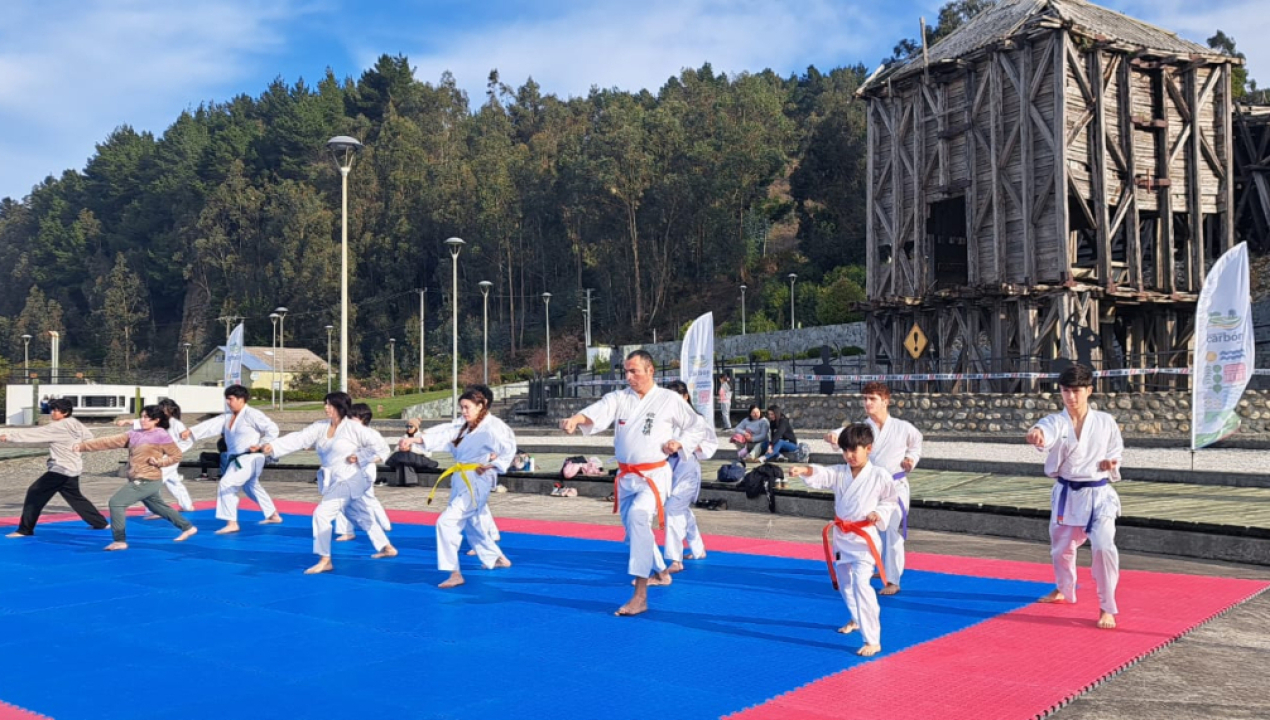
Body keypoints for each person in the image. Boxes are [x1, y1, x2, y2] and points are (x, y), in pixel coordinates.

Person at [560, 350, 709, 616]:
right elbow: (597, 412)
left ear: (650, 371)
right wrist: (575, 419)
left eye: (634, 371)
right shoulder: (620, 398)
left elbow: (697, 425)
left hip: (654, 475)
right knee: (634, 530)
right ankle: (661, 571)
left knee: (640, 517)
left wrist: (680, 443)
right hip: (626, 477)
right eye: (626, 371)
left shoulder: (668, 399)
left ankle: (640, 596)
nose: (628, 377)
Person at [1026, 363, 1123, 630]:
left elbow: (1116, 450)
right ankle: (1064, 588)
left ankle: (1107, 607)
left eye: (1076, 391)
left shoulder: (1105, 422)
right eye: (1066, 391)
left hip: (1099, 496)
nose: (1071, 397)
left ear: (1089, 391)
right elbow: (1046, 430)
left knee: (1104, 547)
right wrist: (1037, 435)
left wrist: (1111, 463)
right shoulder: (1057, 421)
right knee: (1061, 550)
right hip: (1067, 495)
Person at [787, 423, 897, 656]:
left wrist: (879, 513)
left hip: (864, 540)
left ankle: (873, 639)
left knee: (861, 584)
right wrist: (804, 470)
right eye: (845, 450)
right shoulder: (840, 472)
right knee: (845, 584)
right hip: (843, 538)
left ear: (869, 448)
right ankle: (857, 618)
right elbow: (822, 474)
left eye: (854, 450)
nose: (849, 455)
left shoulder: (879, 475)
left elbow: (889, 500)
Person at [262, 392, 397, 574]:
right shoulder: (321, 426)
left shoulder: (353, 428)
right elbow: (300, 438)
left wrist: (360, 456)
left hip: (350, 479)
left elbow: (382, 447)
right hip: (333, 479)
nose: (326, 408)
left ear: (340, 407)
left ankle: (325, 559)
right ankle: (387, 547)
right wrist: (274, 446)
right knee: (359, 515)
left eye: (330, 405)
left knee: (322, 514)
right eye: (325, 404)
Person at [403, 384, 514, 588]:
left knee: (446, 523)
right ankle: (496, 558)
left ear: (481, 405)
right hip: (461, 477)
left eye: (467, 407)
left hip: (478, 480)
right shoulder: (463, 425)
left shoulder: (494, 427)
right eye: (461, 407)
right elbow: (444, 435)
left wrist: (493, 464)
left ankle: (454, 573)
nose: (463, 411)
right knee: (472, 522)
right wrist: (415, 440)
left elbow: (509, 449)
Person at [824, 382, 922, 596]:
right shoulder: (863, 429)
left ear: (885, 401)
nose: (867, 403)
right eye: (865, 399)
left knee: (892, 532)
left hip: (895, 487)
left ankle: (893, 580)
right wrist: (832, 436)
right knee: (870, 530)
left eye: (872, 399)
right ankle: (879, 565)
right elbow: (844, 434)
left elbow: (916, 444)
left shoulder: (903, 428)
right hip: (869, 489)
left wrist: (910, 459)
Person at [73, 405, 198, 551]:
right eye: (142, 416)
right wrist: (82, 446)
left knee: (116, 503)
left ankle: (119, 540)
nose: (143, 420)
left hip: (148, 479)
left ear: (156, 420)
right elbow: (108, 441)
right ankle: (188, 527)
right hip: (137, 477)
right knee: (157, 507)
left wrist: (160, 462)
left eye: (146, 417)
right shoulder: (134, 434)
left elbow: (176, 455)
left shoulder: (161, 435)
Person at [1, 398, 109, 538]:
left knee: (34, 493)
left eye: (56, 410)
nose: (53, 412)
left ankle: (25, 529)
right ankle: (100, 523)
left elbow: (35, 434)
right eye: (52, 409)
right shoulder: (75, 423)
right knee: (75, 497)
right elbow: (89, 438)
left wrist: (9, 437)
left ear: (65, 412)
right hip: (73, 467)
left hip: (60, 469)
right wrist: (76, 447)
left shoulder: (59, 426)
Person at [183, 384, 283, 534]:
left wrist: (261, 444)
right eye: (226, 399)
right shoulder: (228, 417)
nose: (228, 402)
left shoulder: (252, 414)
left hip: (250, 457)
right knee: (251, 487)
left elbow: (273, 429)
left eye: (230, 399)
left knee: (226, 483)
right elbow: (210, 425)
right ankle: (273, 515)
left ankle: (232, 522)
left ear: (241, 399)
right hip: (237, 459)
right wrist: (191, 431)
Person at [663, 380, 717, 573]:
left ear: (685, 396)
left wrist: (685, 445)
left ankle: (675, 559)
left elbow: (710, 445)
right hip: (667, 468)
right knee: (681, 509)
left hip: (687, 469)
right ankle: (698, 549)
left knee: (672, 509)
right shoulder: (664, 420)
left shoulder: (696, 420)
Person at [117, 399, 195, 517]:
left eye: (163, 409)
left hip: (168, 458)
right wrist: (126, 421)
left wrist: (174, 452)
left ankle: (155, 509)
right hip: (159, 456)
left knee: (152, 481)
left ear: (170, 410)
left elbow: (187, 441)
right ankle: (187, 505)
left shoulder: (176, 424)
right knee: (173, 482)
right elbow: (141, 421)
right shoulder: (158, 422)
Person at [334, 403, 393, 542]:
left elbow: (384, 452)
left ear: (362, 418)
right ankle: (384, 524)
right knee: (364, 498)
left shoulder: (372, 434)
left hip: (366, 471)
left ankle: (350, 530)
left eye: (352, 417)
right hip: (350, 471)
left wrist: (366, 459)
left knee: (349, 498)